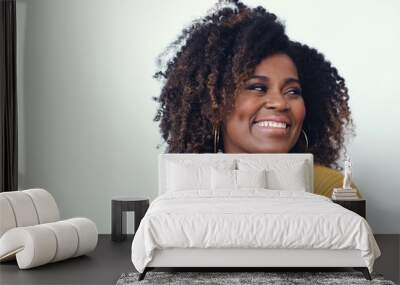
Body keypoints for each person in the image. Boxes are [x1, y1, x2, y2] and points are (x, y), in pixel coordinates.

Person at [152, 0, 359, 198]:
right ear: (214, 104)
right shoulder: (190, 187)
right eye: (258, 87)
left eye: (293, 91)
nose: (279, 103)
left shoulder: (329, 188)